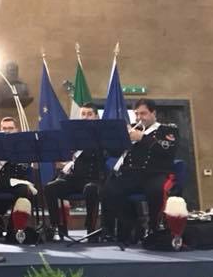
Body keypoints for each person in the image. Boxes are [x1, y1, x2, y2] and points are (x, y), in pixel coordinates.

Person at [101, 99, 179, 243]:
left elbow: (167, 149)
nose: (138, 118)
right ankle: (128, 227)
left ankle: (154, 228)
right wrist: (118, 139)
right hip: (131, 174)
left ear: (153, 113)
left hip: (155, 173)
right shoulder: (130, 128)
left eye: (143, 113)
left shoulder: (167, 130)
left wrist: (142, 138)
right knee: (109, 190)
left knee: (156, 191)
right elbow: (114, 152)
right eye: (136, 114)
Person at [42, 103, 104, 241]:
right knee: (50, 188)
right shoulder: (72, 134)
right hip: (74, 178)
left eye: (89, 114)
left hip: (94, 178)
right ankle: (58, 227)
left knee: (91, 189)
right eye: (83, 114)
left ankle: (91, 229)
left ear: (96, 116)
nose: (85, 117)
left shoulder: (102, 134)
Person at [0, 117, 37, 237]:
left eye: (10, 128)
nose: (7, 131)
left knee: (23, 190)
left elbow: (27, 169)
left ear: (16, 130)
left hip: (17, 182)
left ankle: (12, 228)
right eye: (4, 128)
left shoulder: (24, 146)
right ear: (0, 129)